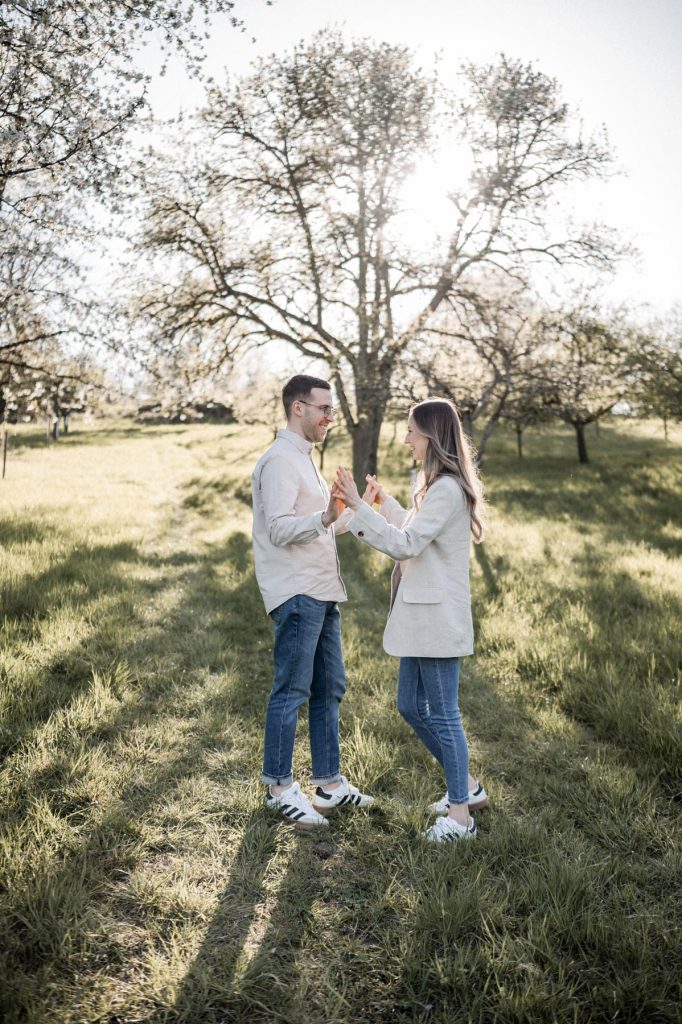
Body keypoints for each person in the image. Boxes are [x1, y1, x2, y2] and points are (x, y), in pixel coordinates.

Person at [331, 398, 488, 843]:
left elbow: (407, 545)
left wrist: (359, 509)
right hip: (422, 615)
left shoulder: (448, 488)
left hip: (436, 618)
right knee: (408, 705)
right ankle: (468, 788)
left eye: (411, 432)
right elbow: (415, 531)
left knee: (444, 714)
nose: (406, 440)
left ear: (432, 436)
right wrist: (383, 504)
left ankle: (460, 816)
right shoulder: (435, 486)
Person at [251, 374, 374, 829]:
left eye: (332, 410)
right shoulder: (281, 461)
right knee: (292, 689)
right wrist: (325, 515)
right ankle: (279, 788)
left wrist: (349, 512)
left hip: (322, 591)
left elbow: (319, 526)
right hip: (297, 591)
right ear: (297, 408)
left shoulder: (304, 460)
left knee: (330, 687)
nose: (330, 417)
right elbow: (280, 528)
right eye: (324, 408)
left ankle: (329, 785)